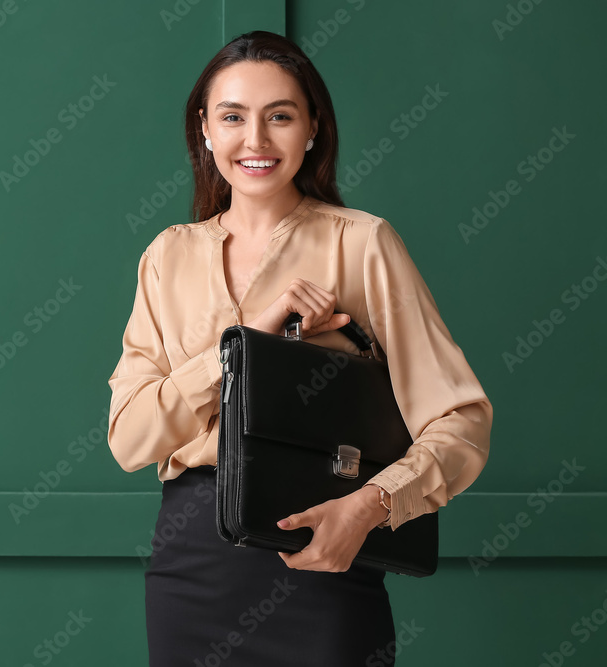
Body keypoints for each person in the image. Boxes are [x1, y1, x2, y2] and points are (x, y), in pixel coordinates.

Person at [105, 30, 493, 666]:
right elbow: (129, 440)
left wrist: (367, 509)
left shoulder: (362, 244)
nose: (255, 140)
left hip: (325, 553)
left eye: (280, 116)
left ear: (313, 128)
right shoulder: (167, 256)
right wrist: (247, 345)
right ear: (204, 129)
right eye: (233, 117)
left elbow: (462, 423)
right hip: (190, 568)